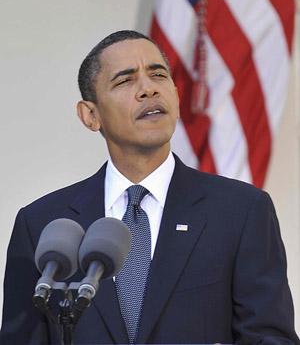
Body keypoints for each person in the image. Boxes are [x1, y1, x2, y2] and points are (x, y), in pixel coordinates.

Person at [1, 30, 299, 345]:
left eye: (158, 75)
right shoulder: (42, 225)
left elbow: (271, 338)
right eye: (125, 81)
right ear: (90, 115)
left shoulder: (241, 211)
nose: (148, 89)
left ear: (175, 94)